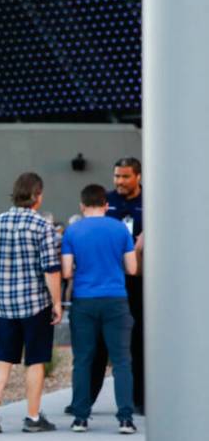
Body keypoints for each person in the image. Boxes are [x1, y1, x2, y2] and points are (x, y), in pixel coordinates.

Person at [0, 172, 63, 434]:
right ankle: (32, 417)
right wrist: (57, 302)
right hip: (35, 304)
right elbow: (51, 269)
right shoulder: (42, 226)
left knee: (3, 359)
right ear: (37, 196)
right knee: (35, 360)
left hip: (5, 304)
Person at [62, 184, 138, 434]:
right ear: (106, 205)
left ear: (82, 205)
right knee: (122, 361)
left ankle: (80, 417)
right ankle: (126, 418)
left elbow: (65, 271)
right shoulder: (119, 229)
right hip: (115, 299)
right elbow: (132, 269)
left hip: (84, 300)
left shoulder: (72, 231)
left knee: (83, 359)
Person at [79, 158, 146, 415]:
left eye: (125, 176)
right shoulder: (105, 202)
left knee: (138, 341)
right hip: (107, 281)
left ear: (138, 177)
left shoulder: (150, 202)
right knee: (97, 343)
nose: (119, 181)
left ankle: (140, 399)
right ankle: (85, 400)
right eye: (116, 176)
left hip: (138, 283)